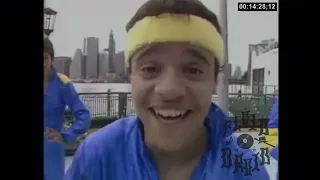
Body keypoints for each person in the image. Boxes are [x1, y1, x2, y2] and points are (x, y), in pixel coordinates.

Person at [65, 0, 270, 179]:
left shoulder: (245, 169)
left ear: (215, 79)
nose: (170, 90)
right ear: (130, 76)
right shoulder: (96, 157)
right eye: (150, 69)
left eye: (193, 69)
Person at [44, 37, 91, 180]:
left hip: (51, 148)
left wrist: (66, 135)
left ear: (51, 59)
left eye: (44, 58)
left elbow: (83, 115)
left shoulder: (62, 84)